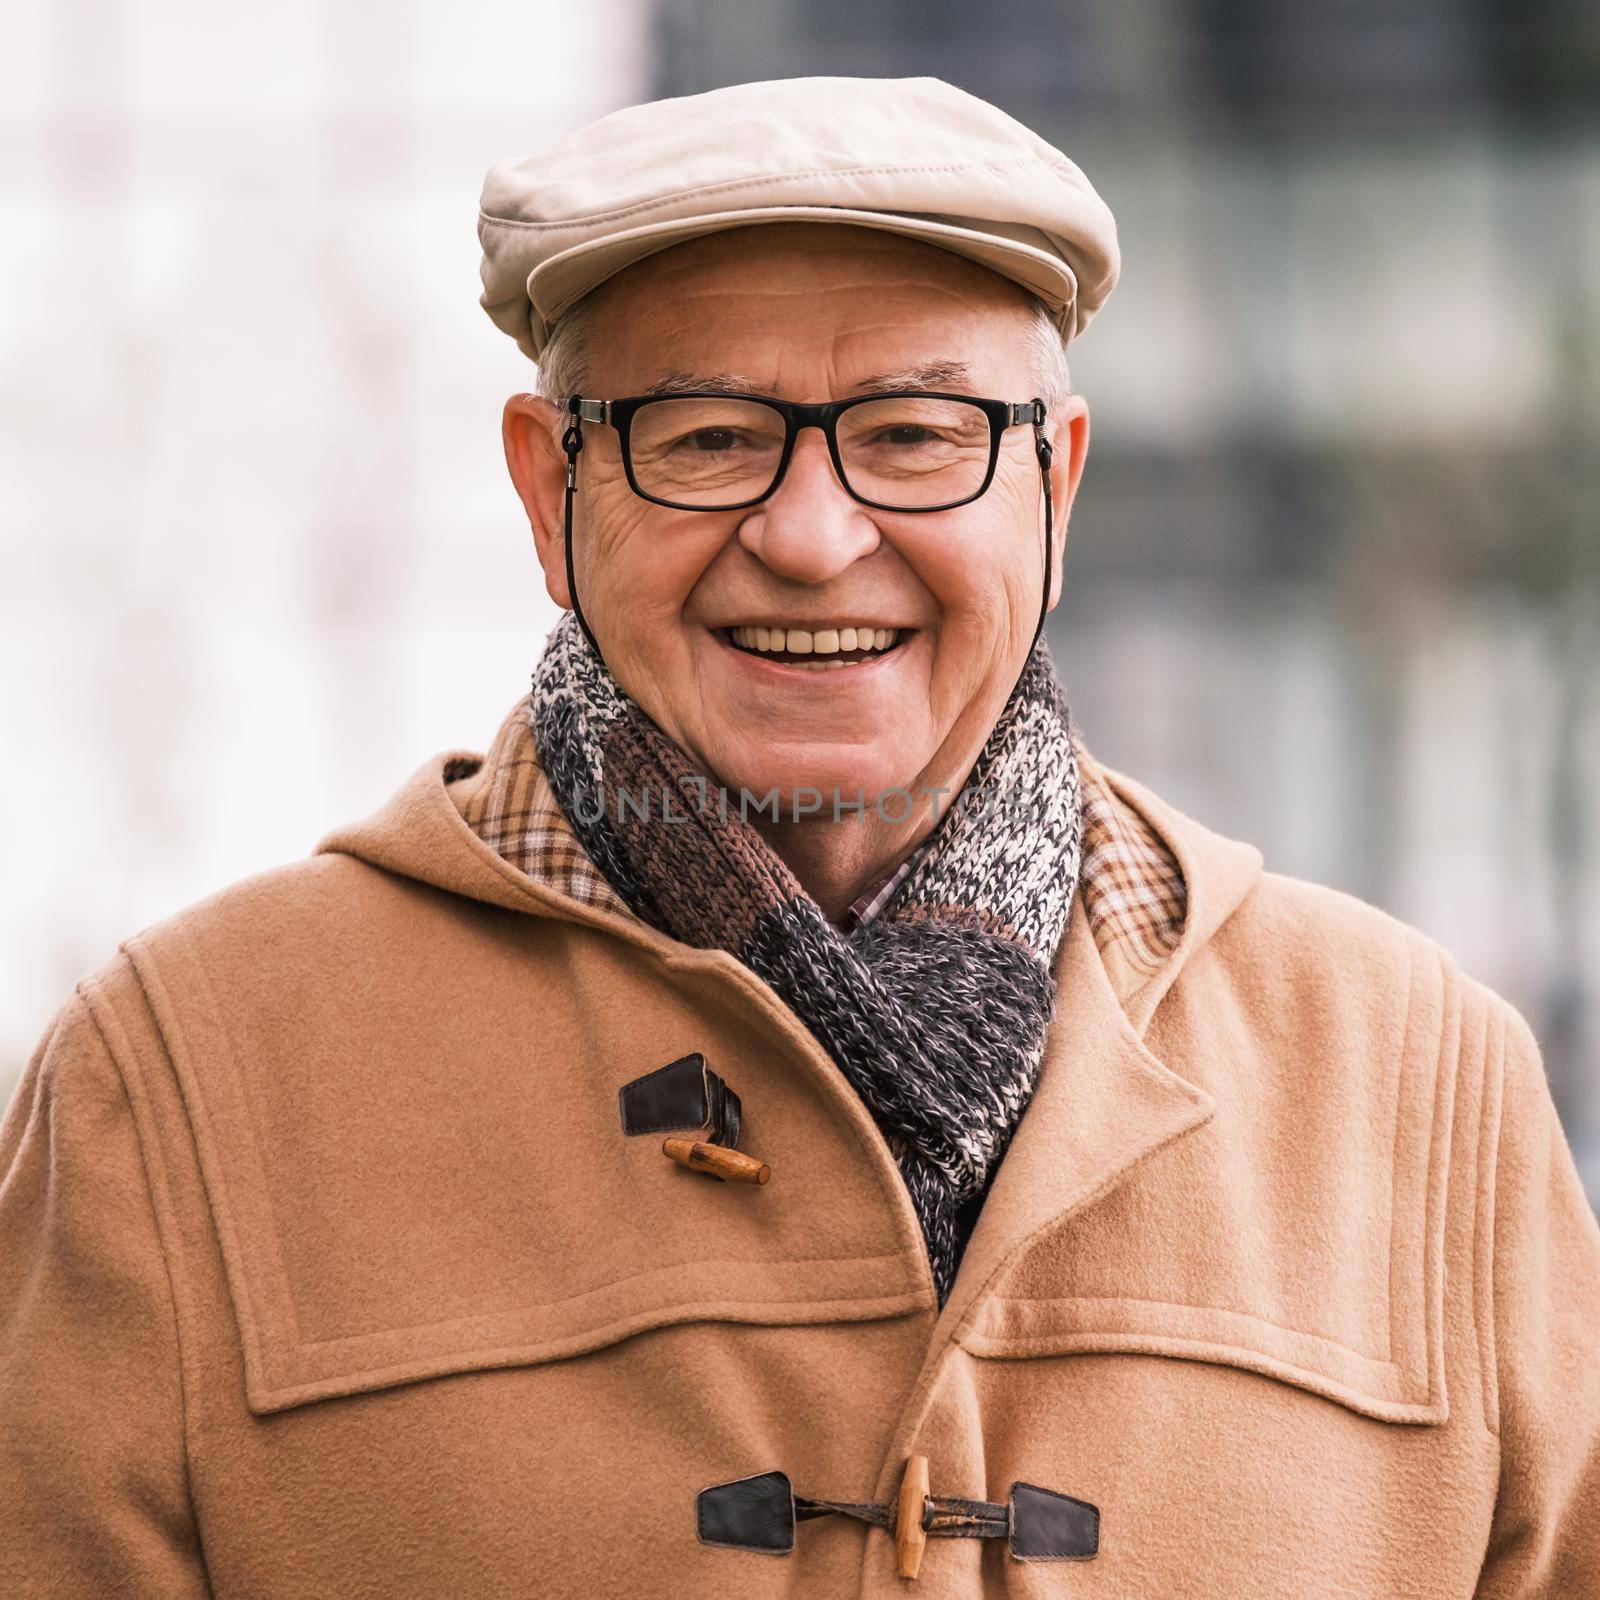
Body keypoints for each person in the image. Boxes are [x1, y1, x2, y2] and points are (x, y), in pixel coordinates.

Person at [2, 74, 1596, 1598]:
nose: (815, 538)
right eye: (703, 438)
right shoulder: (185, 1088)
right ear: (548, 493)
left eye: (917, 433)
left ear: (1061, 483)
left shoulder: (1418, 1091)